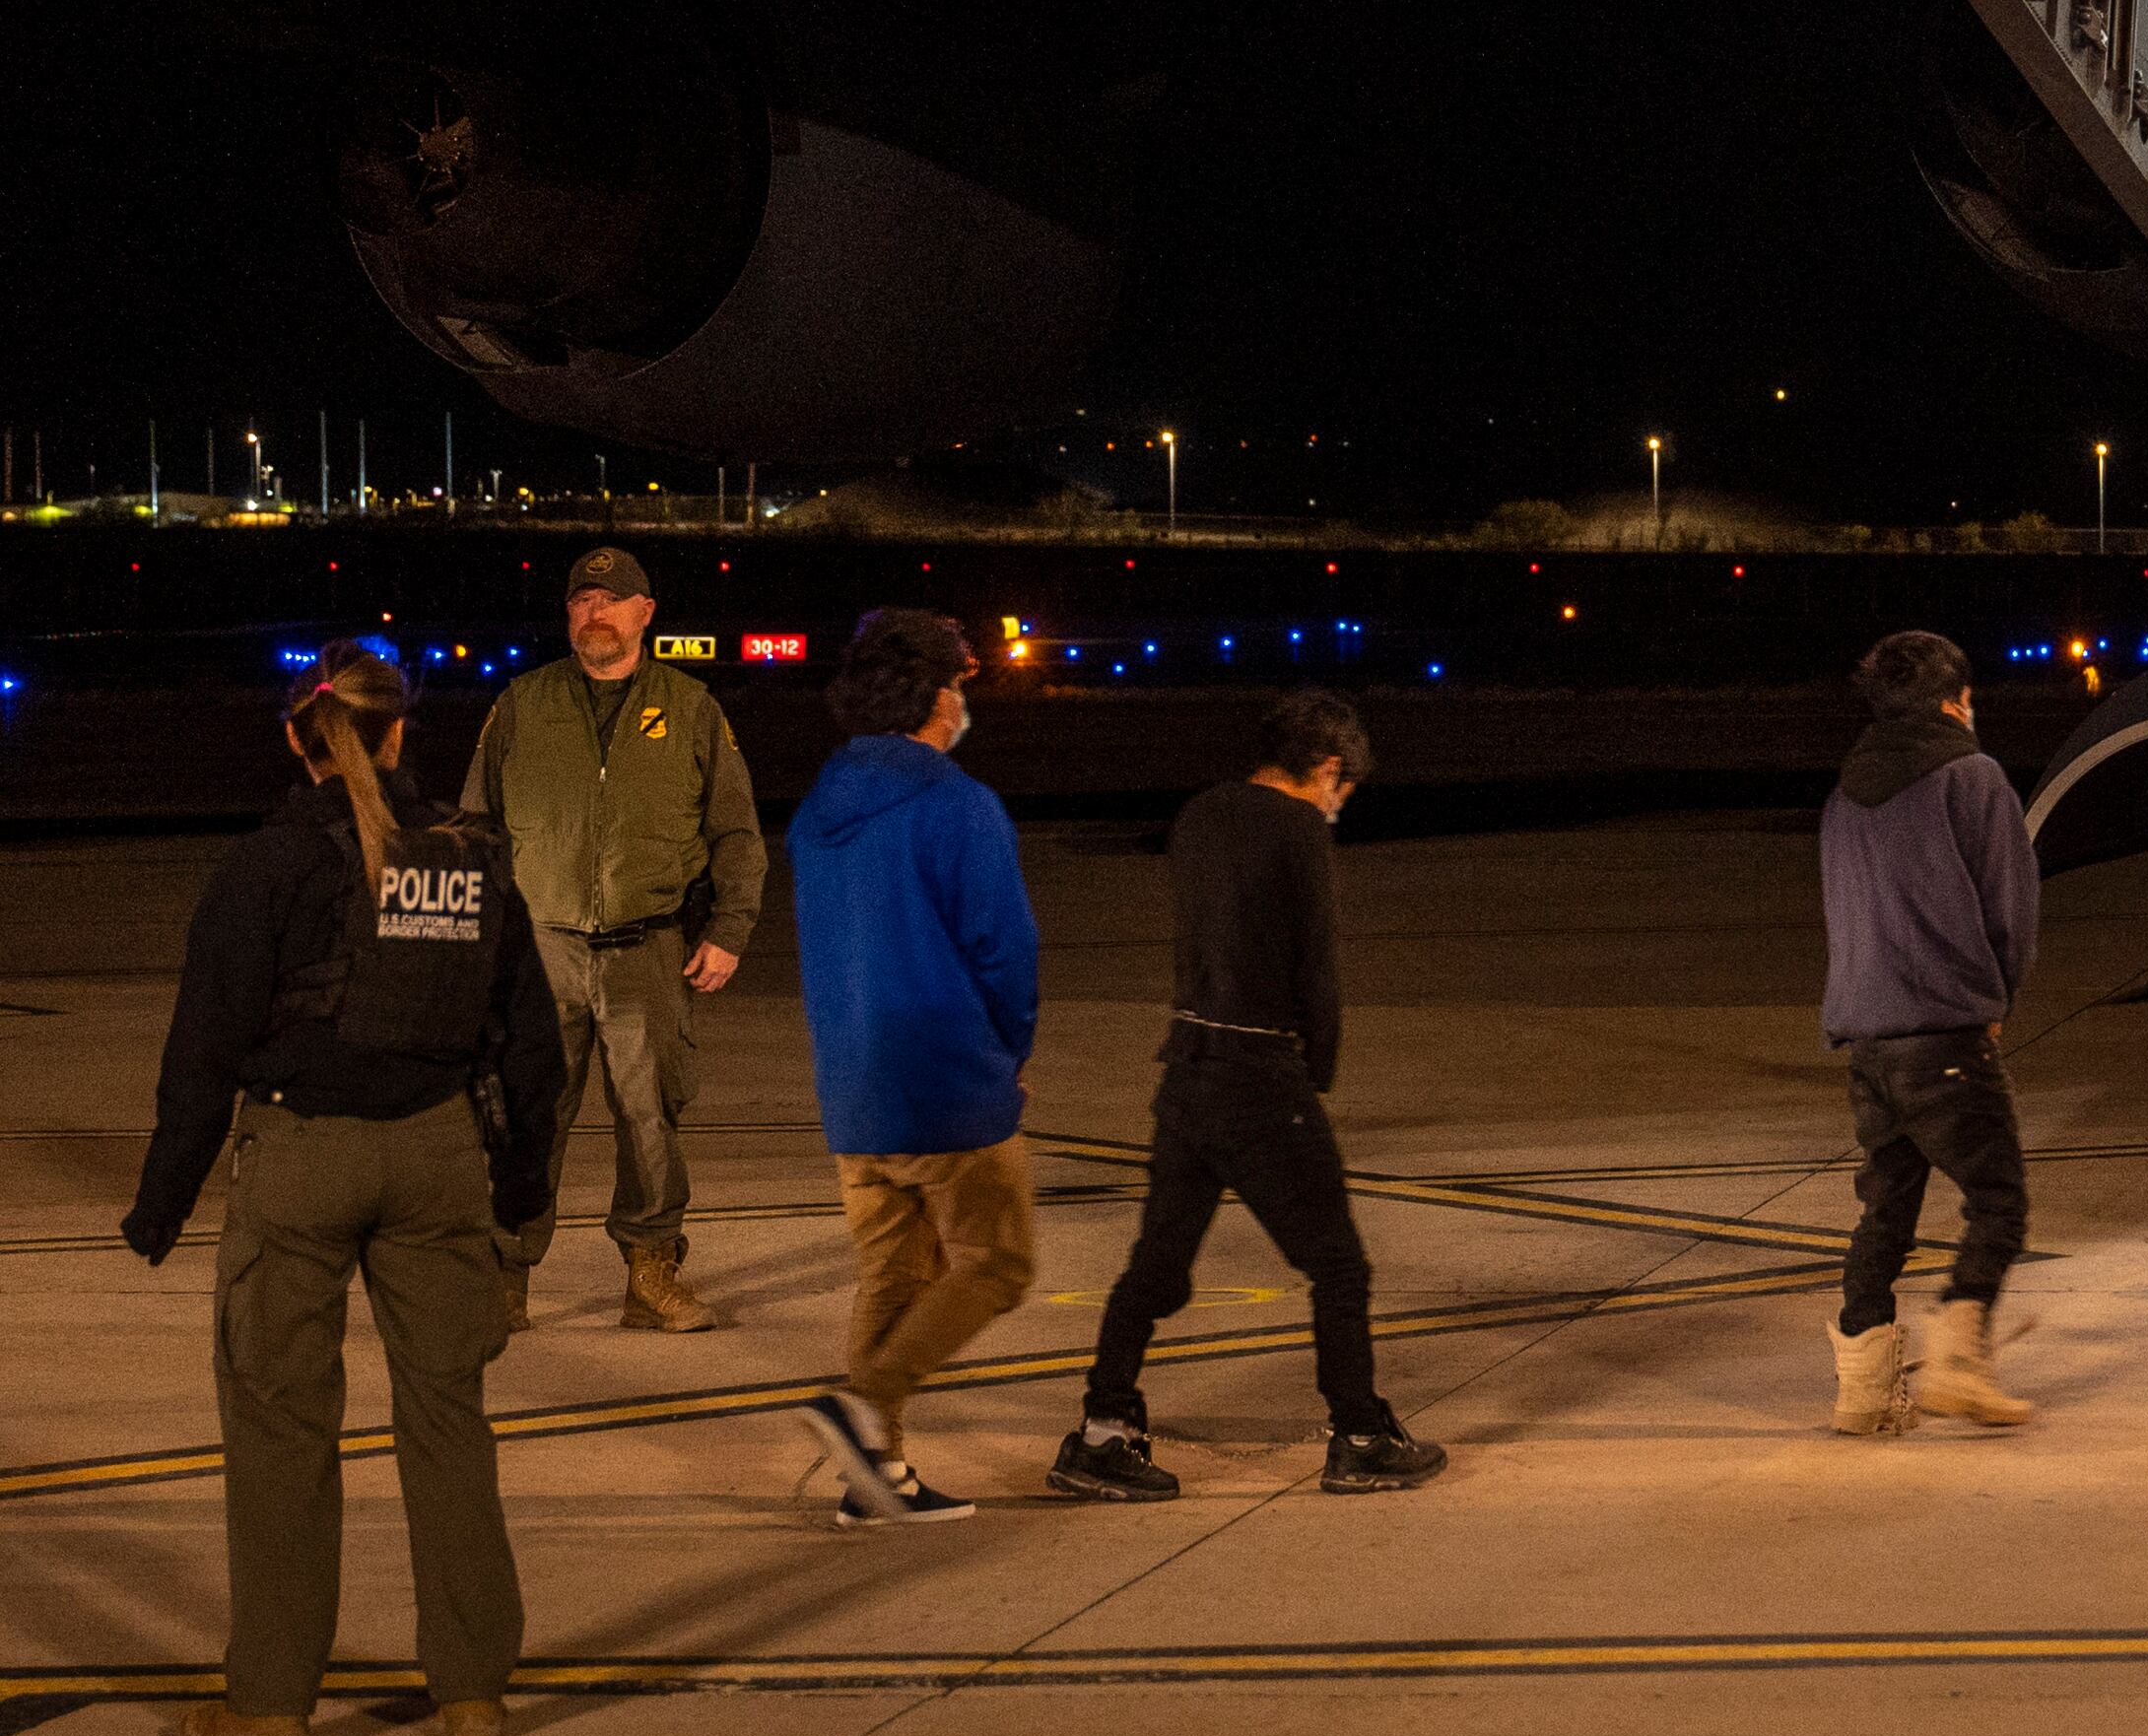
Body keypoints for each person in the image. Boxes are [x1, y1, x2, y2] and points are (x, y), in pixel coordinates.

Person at [126, 654, 566, 1736]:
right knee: (447, 1420)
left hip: (303, 1157)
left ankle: (272, 1701)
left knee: (281, 1430)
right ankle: (471, 1691)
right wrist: (521, 1195)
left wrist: (162, 1204)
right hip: (436, 1157)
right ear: (399, 736)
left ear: (298, 740)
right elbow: (531, 1044)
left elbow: (204, 1047)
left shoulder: (268, 864)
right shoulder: (470, 860)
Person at [1058, 691, 1448, 1502]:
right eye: (1343, 789)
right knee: (1338, 1265)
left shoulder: (1200, 815)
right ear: (1329, 768)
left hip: (1188, 1065)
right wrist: (1317, 1070)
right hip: (1260, 1073)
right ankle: (1361, 1433)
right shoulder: (1299, 828)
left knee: (1155, 1267)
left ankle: (1102, 1430)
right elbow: (1315, 963)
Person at [459, 545, 764, 1334]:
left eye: (610, 599)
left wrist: (728, 929)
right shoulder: (522, 705)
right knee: (526, 1112)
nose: (593, 612)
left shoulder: (692, 708)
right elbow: (475, 830)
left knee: (651, 1116)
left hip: (648, 948)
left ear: (644, 612)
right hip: (539, 949)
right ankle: (502, 1276)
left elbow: (736, 831)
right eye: (579, 601)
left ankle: (652, 1271)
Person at [787, 609, 1041, 1526]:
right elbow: (1004, 950)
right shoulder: (958, 803)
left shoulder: (822, 803)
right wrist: (1008, 1054)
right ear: (937, 695)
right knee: (999, 1260)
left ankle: (877, 1473)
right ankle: (864, 1403)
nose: (965, 701)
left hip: (854, 1086)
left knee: (893, 1275)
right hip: (944, 1079)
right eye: (962, 684)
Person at [1817, 628, 2042, 1435]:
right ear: (1955, 700)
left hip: (1867, 1038)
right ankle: (1957, 1360)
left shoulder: (1845, 792)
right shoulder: (1973, 777)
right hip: (1942, 1029)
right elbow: (2010, 909)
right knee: (1999, 1201)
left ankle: (1863, 1387)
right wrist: (1995, 996)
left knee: (1887, 1207)